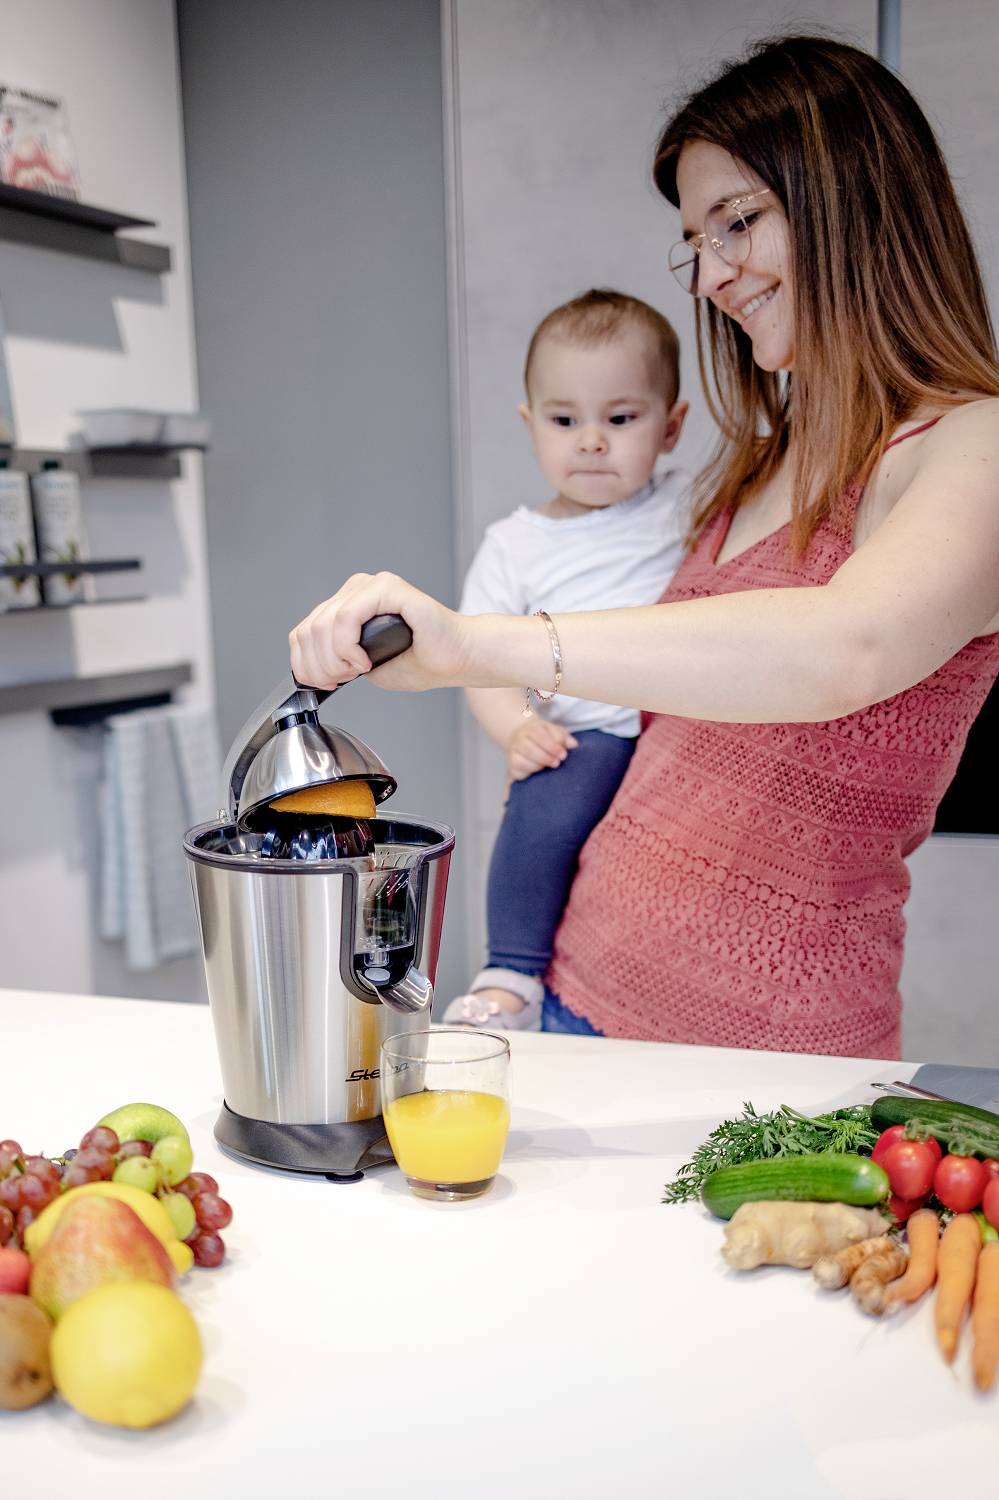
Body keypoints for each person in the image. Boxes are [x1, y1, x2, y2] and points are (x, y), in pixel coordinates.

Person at [290, 36, 999, 1060]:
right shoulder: (759, 461)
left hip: (768, 1056)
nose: (709, 276)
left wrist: (478, 646)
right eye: (696, 241)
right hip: (579, 987)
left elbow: (848, 648)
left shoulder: (972, 443)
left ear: (853, 198)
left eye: (738, 222)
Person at [443, 289, 690, 1031]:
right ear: (530, 426)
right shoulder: (513, 545)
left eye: (620, 419)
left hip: (681, 728)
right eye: (563, 420)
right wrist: (516, 730)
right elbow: (479, 661)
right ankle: (509, 975)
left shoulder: (690, 504)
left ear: (671, 426)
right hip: (583, 736)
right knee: (538, 821)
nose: (590, 441)